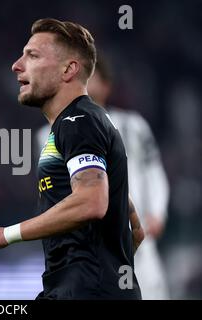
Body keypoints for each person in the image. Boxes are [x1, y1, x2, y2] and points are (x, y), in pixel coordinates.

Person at [0, 18, 144, 299]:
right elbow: (133, 227)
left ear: (69, 70)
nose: (17, 65)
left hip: (85, 290)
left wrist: (5, 234)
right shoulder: (81, 122)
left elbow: (91, 201)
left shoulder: (77, 121)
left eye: (33, 55)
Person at [86, 56, 170, 299]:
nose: (86, 86)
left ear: (106, 85)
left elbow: (153, 172)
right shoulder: (51, 134)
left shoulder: (134, 126)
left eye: (92, 78)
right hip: (89, 248)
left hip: (138, 239)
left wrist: (158, 212)